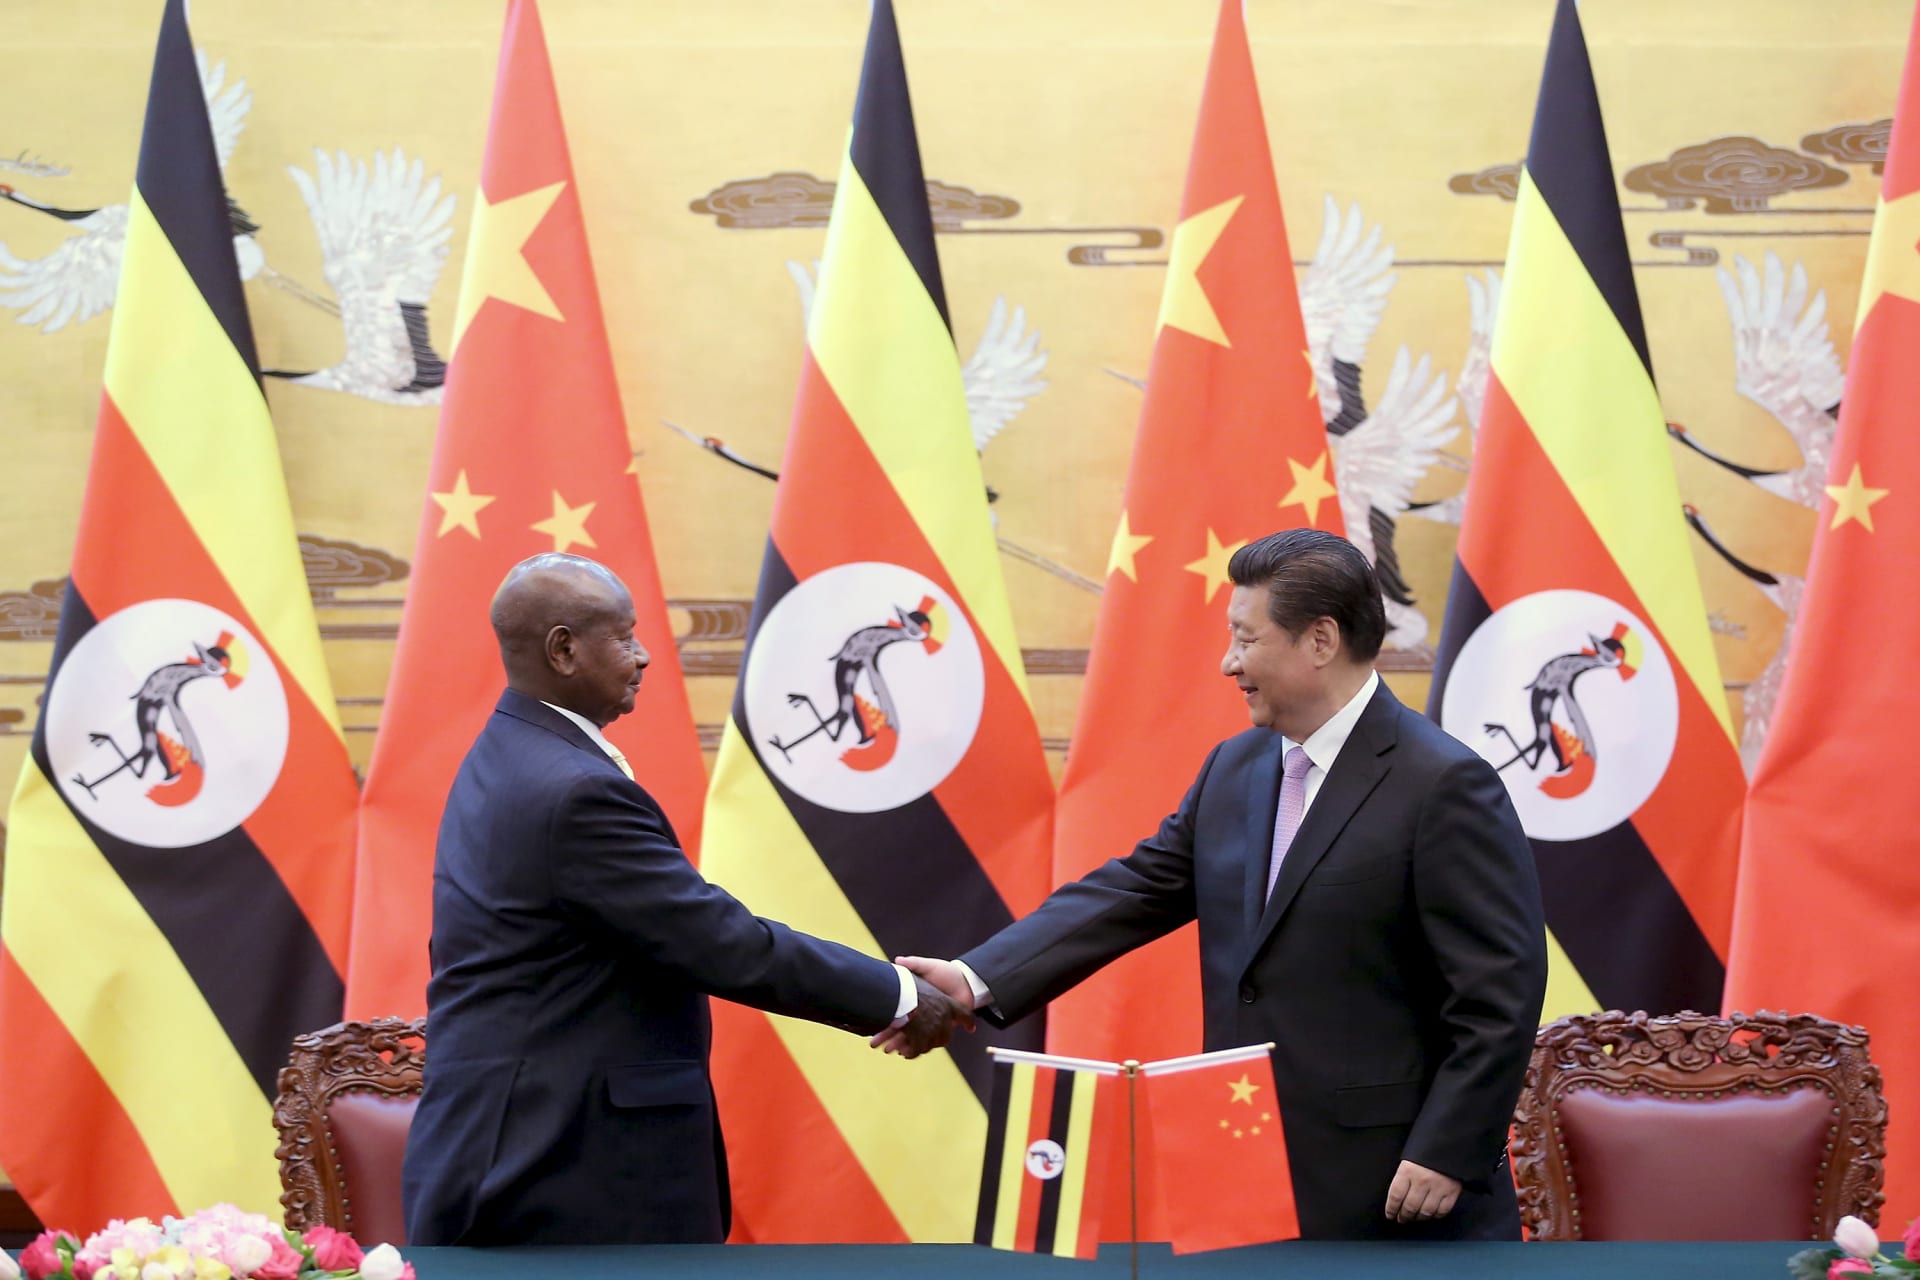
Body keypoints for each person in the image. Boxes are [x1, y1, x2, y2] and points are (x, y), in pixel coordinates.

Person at [882, 528, 1547, 1241]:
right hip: (1241, 1161)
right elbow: (1132, 891)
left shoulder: (1442, 783)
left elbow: (1499, 992)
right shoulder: (1236, 767)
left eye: (1245, 638)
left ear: (1319, 640)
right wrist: (971, 979)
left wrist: (1445, 1150)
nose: (1228, 663)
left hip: (1395, 1184)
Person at [402, 553, 970, 1246]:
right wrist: (898, 996)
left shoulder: (509, 752)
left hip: (515, 1140)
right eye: (624, 636)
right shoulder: (573, 789)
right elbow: (714, 940)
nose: (643, 656)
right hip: (560, 1165)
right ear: (564, 649)